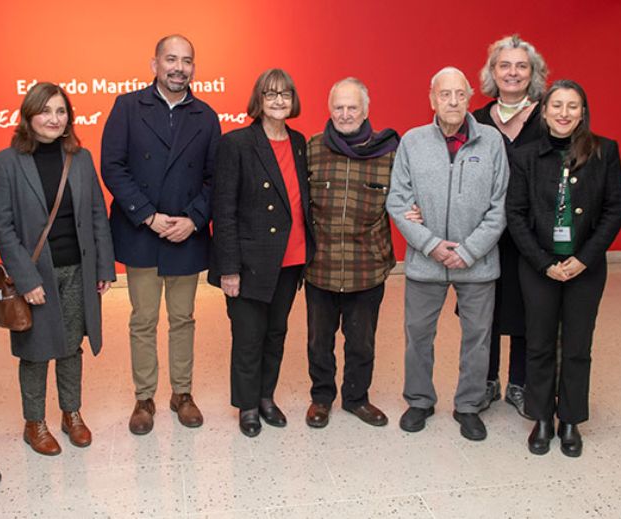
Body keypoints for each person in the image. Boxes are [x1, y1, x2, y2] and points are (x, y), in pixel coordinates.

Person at [100, 34, 221, 435]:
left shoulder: (206, 115)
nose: (179, 68)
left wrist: (193, 219)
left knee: (183, 318)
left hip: (186, 232)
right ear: (154, 64)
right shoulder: (128, 107)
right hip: (143, 232)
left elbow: (213, 178)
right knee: (144, 319)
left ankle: (182, 394)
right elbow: (113, 167)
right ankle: (145, 396)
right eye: (171, 59)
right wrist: (148, 216)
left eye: (187, 61)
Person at [0, 82, 116, 455]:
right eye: (45, 111)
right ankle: (35, 422)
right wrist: (26, 279)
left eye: (61, 112)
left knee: (70, 346)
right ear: (29, 116)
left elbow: (96, 215)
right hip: (36, 275)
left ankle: (71, 413)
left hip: (77, 268)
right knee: (35, 350)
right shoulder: (6, 162)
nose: (54, 119)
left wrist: (104, 267)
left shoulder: (81, 158)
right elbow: (3, 226)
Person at [386, 67, 509, 441]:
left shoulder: (491, 142)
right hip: (426, 263)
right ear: (432, 98)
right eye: (445, 95)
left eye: (459, 94)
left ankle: (469, 405)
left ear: (470, 96)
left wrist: (468, 252)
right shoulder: (412, 141)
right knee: (418, 335)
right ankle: (419, 400)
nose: (452, 102)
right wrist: (431, 245)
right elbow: (397, 200)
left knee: (478, 338)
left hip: (478, 263)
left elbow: (499, 206)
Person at [506, 79, 621, 457]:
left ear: (583, 112)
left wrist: (584, 258)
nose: (563, 113)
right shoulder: (525, 156)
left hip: (585, 267)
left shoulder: (605, 151)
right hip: (538, 266)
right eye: (556, 106)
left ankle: (570, 420)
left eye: (572, 106)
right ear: (543, 112)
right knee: (539, 343)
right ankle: (541, 418)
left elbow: (614, 211)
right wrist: (543, 263)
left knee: (577, 345)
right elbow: (516, 215)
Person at [209, 68, 313, 437]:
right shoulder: (237, 143)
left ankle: (267, 396)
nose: (279, 100)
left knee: (276, 333)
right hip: (250, 262)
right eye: (271, 94)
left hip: (292, 258)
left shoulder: (300, 142)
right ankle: (248, 406)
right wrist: (229, 269)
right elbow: (223, 211)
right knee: (249, 337)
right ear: (259, 100)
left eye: (285, 93)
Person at [303, 77, 399, 429]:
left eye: (352, 107)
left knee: (362, 343)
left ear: (366, 111)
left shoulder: (389, 152)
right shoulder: (312, 148)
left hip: (367, 267)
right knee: (319, 342)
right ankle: (321, 398)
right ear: (330, 110)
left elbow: (404, 200)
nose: (345, 114)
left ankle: (356, 399)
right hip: (321, 267)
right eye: (338, 107)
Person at [472, 35, 550, 417]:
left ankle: (520, 383)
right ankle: (486, 381)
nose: (513, 72)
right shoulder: (478, 120)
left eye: (521, 66)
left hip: (533, 235)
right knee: (484, 309)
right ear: (493, 72)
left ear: (532, 73)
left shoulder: (549, 116)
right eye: (505, 65)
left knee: (527, 308)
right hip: (486, 235)